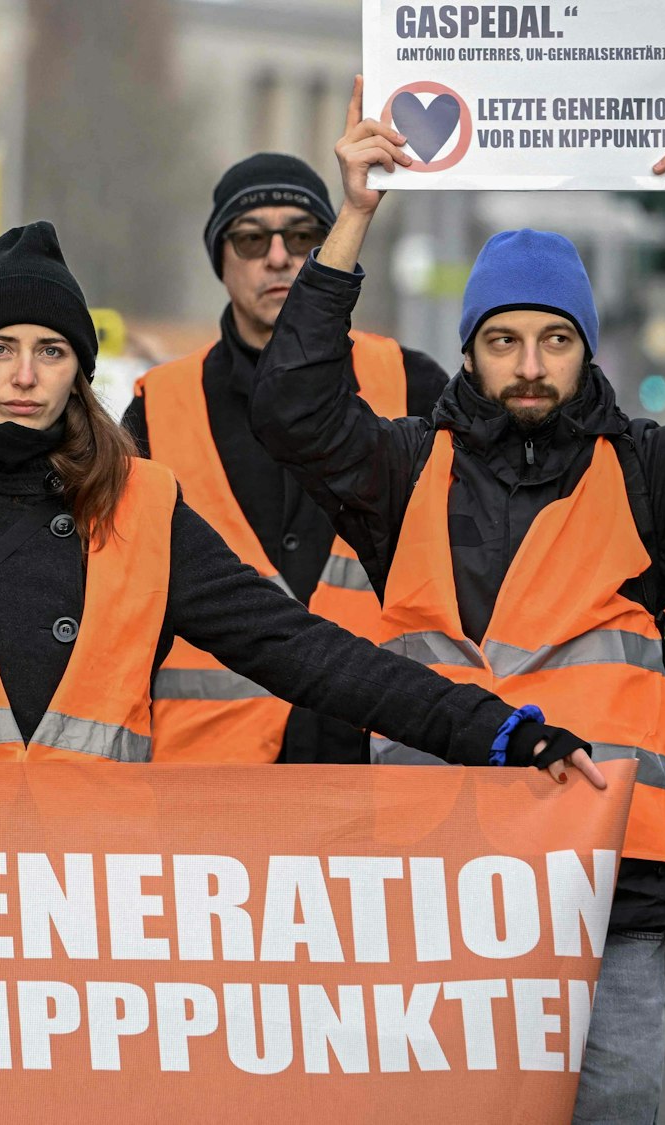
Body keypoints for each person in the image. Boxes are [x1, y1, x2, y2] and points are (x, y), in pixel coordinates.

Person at [250, 82, 665, 1122]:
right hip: (435, 880)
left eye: (553, 340)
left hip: (606, 881)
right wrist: (354, 213)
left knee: (608, 1110)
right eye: (503, 339)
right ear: (468, 351)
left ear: (586, 349)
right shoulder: (399, 473)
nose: (527, 364)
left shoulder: (648, 482)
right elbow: (290, 401)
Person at [0, 221, 606, 790]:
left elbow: (307, 654)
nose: (26, 375)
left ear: (80, 368)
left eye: (50, 350)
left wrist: (496, 729)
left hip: (94, 911)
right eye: (1, 350)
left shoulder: (143, 506)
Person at [121, 154, 449, 764]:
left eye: (303, 236)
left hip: (385, 770)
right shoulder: (156, 409)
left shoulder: (413, 383)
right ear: (220, 258)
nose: (279, 256)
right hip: (211, 792)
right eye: (251, 238)